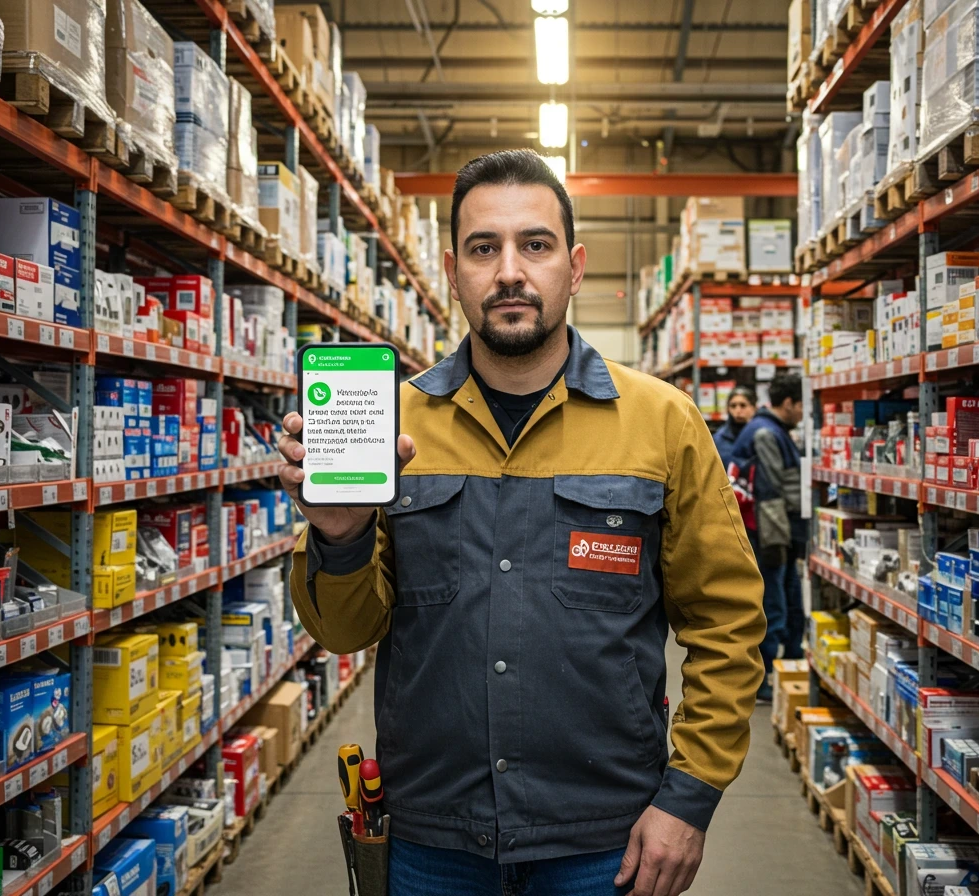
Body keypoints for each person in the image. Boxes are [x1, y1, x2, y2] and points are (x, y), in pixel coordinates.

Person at [278, 149, 765, 896]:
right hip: (432, 840)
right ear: (452, 269)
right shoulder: (392, 423)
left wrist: (690, 798)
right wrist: (339, 536)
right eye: (484, 248)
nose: (510, 270)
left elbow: (727, 622)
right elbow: (344, 633)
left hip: (607, 841)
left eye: (534, 245)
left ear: (573, 267)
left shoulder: (662, 423)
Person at [726, 374, 806, 704]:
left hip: (777, 534)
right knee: (772, 608)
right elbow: (771, 493)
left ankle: (786, 670)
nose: (804, 412)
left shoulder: (774, 431)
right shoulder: (765, 433)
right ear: (787, 403)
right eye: (802, 405)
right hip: (768, 536)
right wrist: (781, 543)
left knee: (786, 604)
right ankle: (763, 682)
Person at [712, 387, 756, 467]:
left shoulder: (760, 435)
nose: (738, 410)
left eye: (743, 405)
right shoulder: (719, 438)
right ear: (728, 409)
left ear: (753, 408)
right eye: (733, 406)